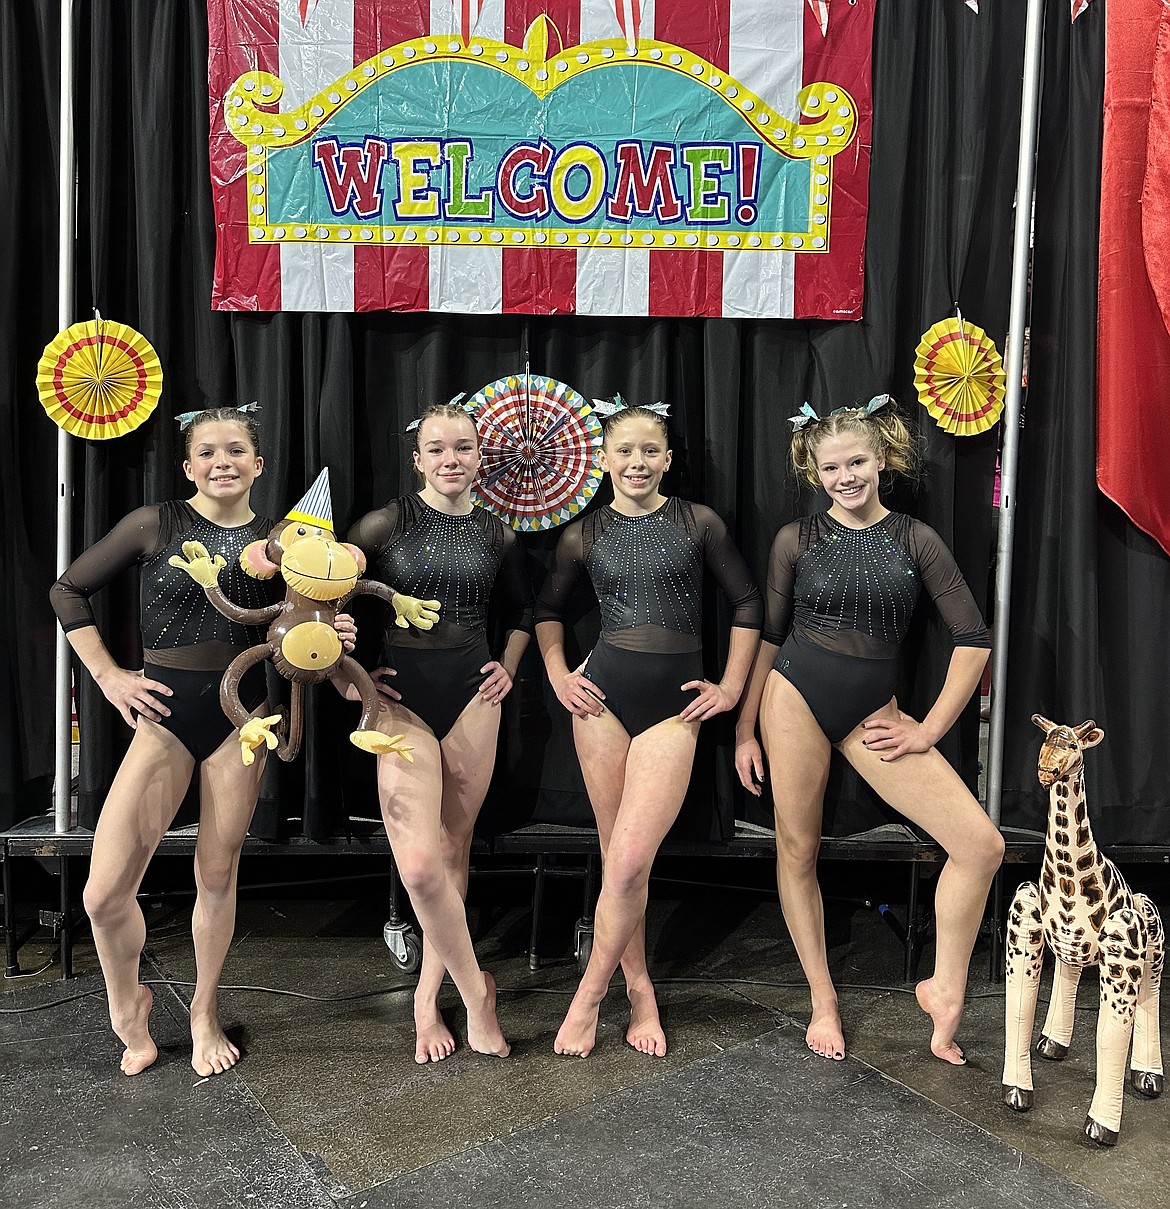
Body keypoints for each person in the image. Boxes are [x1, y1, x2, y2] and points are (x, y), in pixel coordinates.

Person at [49, 406, 350, 1077]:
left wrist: (330, 641)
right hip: (164, 717)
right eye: (208, 451)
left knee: (216, 874)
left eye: (237, 450)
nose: (223, 461)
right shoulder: (155, 524)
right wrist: (108, 676)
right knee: (101, 894)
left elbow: (303, 635)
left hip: (243, 720)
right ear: (187, 466)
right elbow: (68, 590)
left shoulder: (283, 544)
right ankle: (128, 1007)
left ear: (258, 464)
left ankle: (204, 1010)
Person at [734, 396, 1004, 1065]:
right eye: (832, 467)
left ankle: (945, 987)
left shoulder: (916, 538)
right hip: (792, 693)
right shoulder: (796, 539)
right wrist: (745, 729)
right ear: (815, 472)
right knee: (797, 850)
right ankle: (822, 997)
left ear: (881, 459)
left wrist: (931, 728)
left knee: (981, 845)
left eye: (856, 461)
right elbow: (768, 640)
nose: (845, 475)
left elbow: (972, 638)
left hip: (874, 714)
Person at [536, 398, 762, 1058]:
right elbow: (548, 609)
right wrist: (556, 675)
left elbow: (748, 601)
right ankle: (639, 990)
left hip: (673, 710)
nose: (636, 461)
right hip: (601, 701)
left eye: (648, 451)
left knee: (631, 860)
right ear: (603, 460)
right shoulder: (585, 532)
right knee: (618, 863)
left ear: (667, 459)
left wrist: (730, 686)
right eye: (623, 450)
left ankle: (588, 994)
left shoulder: (699, 523)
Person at [346, 401, 532, 1063]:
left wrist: (507, 669)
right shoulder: (384, 522)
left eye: (464, 448)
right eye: (438, 449)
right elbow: (323, 606)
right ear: (418, 457)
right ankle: (476, 989)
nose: (451, 460)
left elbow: (523, 612)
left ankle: (430, 997)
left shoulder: (497, 531)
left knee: (454, 852)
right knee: (421, 865)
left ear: (480, 457)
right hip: (404, 703)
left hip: (474, 698)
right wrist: (355, 677)